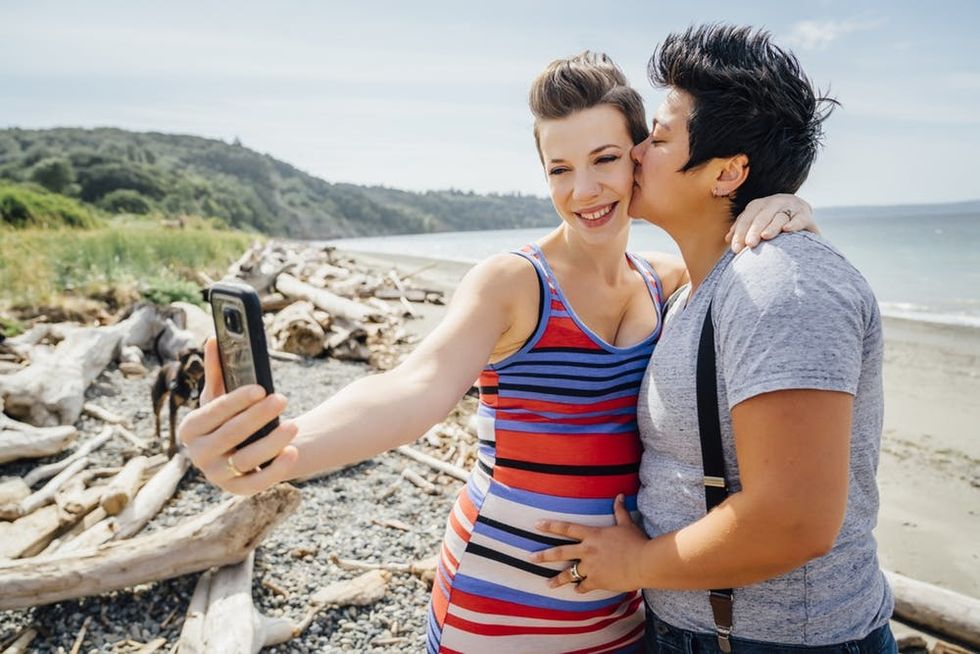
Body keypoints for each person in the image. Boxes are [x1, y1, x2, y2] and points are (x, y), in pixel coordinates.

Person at [177, 51, 815, 653]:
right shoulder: (514, 283)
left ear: (640, 158)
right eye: (559, 169)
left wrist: (782, 205)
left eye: (605, 159)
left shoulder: (666, 278)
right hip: (502, 598)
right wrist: (285, 448)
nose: (584, 189)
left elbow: (733, 253)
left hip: (621, 599)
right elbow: (413, 387)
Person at [533, 26, 897, 653]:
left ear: (727, 173)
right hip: (701, 633)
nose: (637, 151)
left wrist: (634, 565)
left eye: (661, 137)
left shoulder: (783, 285)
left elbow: (793, 521)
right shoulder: (694, 288)